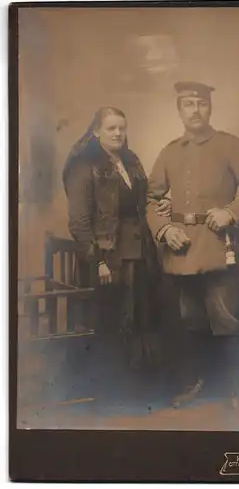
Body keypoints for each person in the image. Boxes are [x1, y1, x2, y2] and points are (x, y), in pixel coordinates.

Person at [146, 81, 239, 405]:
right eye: (187, 104)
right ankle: (200, 385)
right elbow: (151, 199)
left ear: (210, 108)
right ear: (179, 110)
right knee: (191, 322)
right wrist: (164, 231)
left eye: (200, 103)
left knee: (226, 318)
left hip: (219, 247)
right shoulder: (170, 152)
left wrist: (231, 212)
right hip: (182, 251)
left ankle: (235, 390)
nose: (195, 110)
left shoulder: (230, 145)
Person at [62, 106, 171, 371]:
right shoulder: (83, 166)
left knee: (142, 316)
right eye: (111, 128)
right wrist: (98, 260)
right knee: (116, 320)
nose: (118, 133)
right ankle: (116, 388)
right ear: (97, 131)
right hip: (108, 258)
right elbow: (79, 222)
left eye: (122, 128)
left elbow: (143, 202)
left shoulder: (130, 160)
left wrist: (163, 205)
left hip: (140, 253)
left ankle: (142, 385)